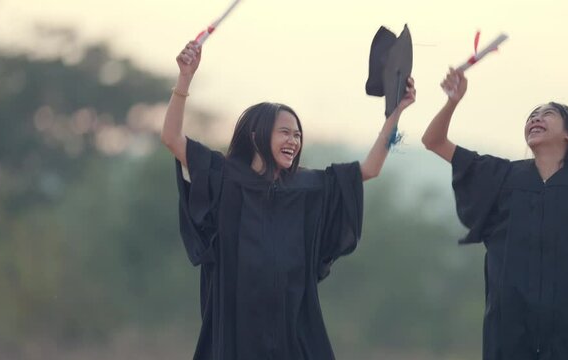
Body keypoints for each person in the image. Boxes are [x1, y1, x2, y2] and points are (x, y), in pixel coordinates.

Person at [160, 40, 415, 360]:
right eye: (284, 132)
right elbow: (171, 138)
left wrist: (395, 113)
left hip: (294, 328)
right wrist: (185, 78)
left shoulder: (308, 187)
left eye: (297, 134)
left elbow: (369, 169)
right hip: (238, 327)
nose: (293, 141)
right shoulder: (224, 178)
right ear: (257, 135)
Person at [422, 68, 568, 360]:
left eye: (548, 113)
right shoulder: (502, 177)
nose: (536, 118)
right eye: (532, 115)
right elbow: (434, 141)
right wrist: (452, 101)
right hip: (509, 327)